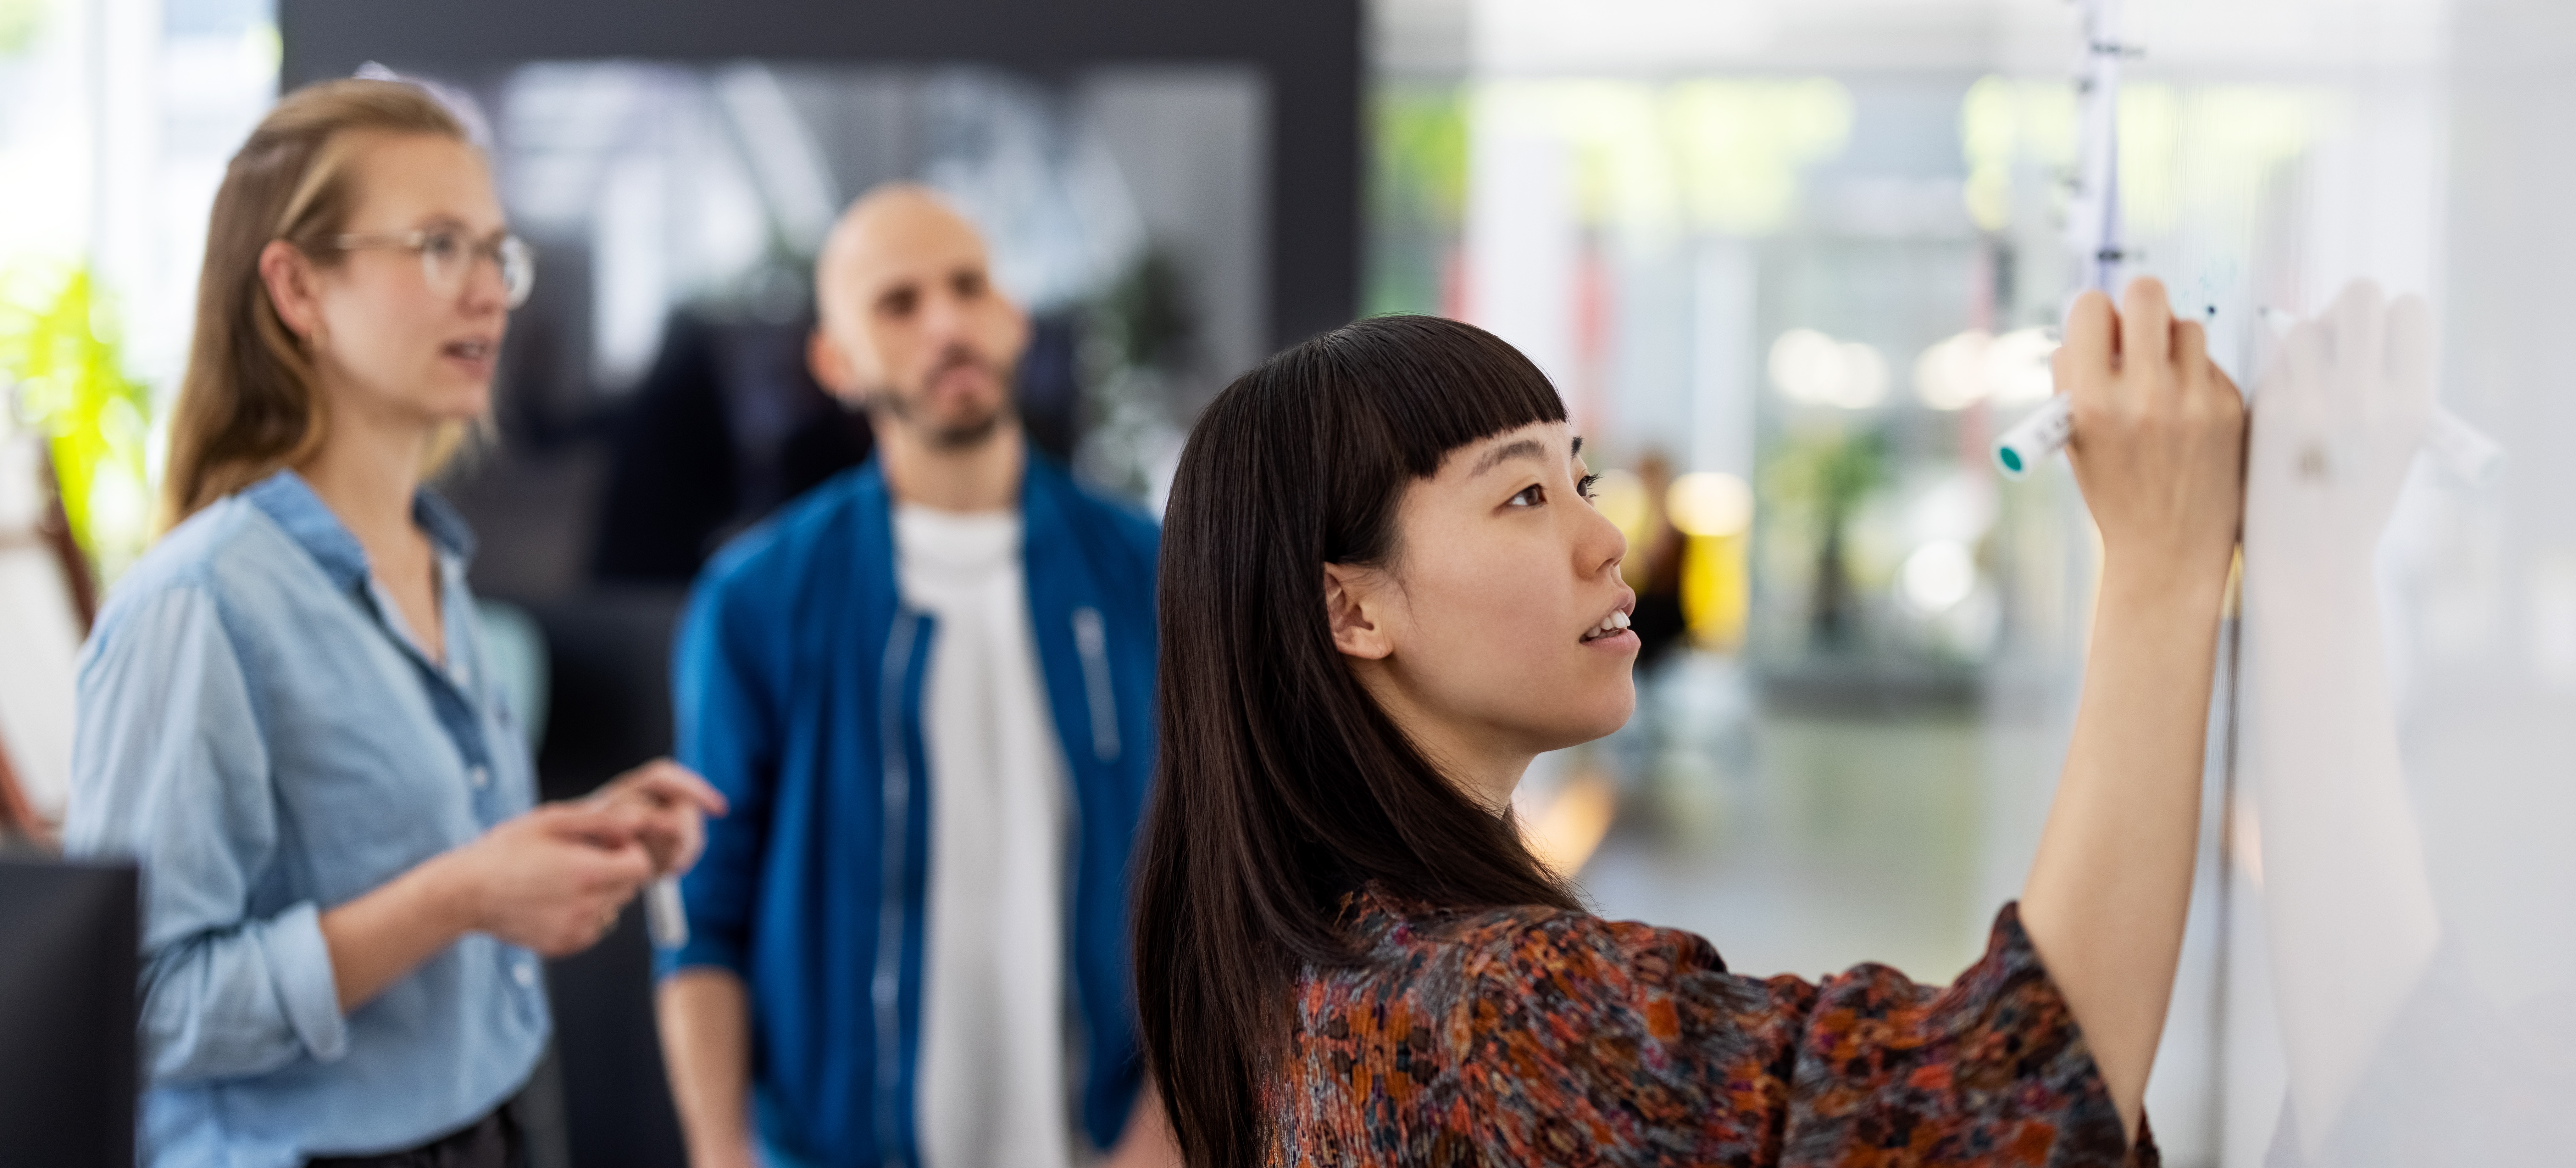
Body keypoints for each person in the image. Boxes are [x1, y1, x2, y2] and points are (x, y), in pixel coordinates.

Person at [1134, 291, 2244, 1167]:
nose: (1607, 537)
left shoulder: (1303, 961)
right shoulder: (1497, 1008)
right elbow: (2009, 1110)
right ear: (1354, 608)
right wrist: (2160, 567)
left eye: (1583, 480)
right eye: (1525, 497)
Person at [61, 79, 724, 1168]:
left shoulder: (433, 564)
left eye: (495, 254)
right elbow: (141, 1008)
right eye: (436, 246)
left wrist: (569, 844)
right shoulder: (199, 605)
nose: (489, 295)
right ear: (297, 287)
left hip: (494, 1126)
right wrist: (462, 893)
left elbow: (417, 866)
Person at [655, 183, 1175, 1168]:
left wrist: (1165, 1136)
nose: (946, 324)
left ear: (1013, 317)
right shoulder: (758, 601)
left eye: (969, 287)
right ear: (835, 361)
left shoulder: (1150, 577)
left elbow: (1233, 889)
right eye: (898, 303)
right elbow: (703, 913)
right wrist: (723, 1155)